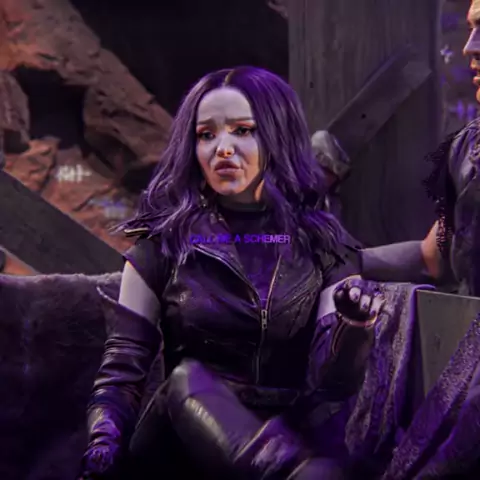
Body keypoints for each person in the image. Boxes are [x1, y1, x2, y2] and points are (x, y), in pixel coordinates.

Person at [79, 66, 385, 479]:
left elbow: (335, 386)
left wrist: (355, 329)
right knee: (186, 380)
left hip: (293, 437)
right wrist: (102, 444)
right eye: (206, 135)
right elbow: (120, 376)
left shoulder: (325, 246)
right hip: (182, 452)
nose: (222, 148)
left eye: (242, 130)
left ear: (277, 136)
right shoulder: (162, 245)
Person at [358, 1, 480, 297]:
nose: (469, 48)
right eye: (471, 29)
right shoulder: (469, 147)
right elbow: (432, 258)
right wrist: (334, 261)